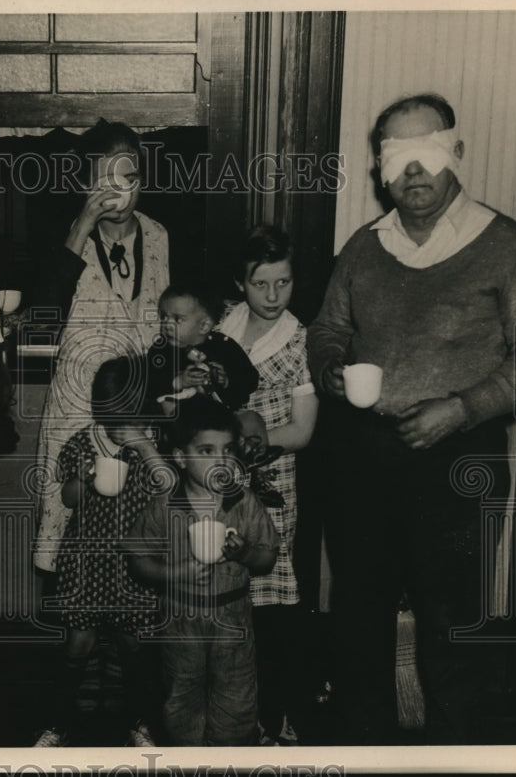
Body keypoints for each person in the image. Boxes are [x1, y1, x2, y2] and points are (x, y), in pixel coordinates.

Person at [306, 93, 516, 744]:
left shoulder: (509, 247)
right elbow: (327, 330)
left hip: (458, 465)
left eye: (427, 152)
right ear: (381, 168)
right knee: (357, 625)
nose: (413, 171)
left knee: (453, 631)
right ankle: (366, 750)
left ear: (457, 153)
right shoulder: (364, 247)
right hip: (363, 460)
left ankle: (453, 756)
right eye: (397, 156)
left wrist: (463, 408)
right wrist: (333, 369)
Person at [34, 120, 171, 573]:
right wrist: (83, 224)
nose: (120, 193)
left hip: (136, 406)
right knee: (70, 527)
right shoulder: (64, 237)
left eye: (128, 180)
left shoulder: (160, 236)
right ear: (84, 183)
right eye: (104, 181)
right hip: (76, 409)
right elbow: (44, 318)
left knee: (134, 532)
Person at [128, 395, 279, 747]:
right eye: (206, 451)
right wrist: (174, 574)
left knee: (237, 692)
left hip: (234, 614)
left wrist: (245, 553)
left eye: (227, 451)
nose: (220, 462)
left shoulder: (243, 502)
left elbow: (267, 559)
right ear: (180, 457)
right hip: (180, 615)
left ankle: (230, 755)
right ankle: (188, 758)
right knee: (181, 692)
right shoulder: (164, 506)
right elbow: (138, 560)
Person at [217, 224, 319, 744]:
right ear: (241, 283)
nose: (274, 296)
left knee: (273, 601)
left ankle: (279, 717)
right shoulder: (223, 328)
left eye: (284, 283)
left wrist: (249, 449)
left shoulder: (301, 341)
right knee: (226, 593)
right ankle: (234, 717)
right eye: (262, 285)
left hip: (273, 481)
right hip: (219, 483)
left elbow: (301, 431)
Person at [34, 355, 167, 747]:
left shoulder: (150, 443)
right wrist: (86, 478)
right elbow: (70, 497)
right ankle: (56, 724)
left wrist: (143, 445)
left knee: (134, 647)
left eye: (131, 415)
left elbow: (167, 487)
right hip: (86, 560)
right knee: (78, 644)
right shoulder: (82, 441)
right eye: (112, 416)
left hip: (135, 564)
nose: (120, 426)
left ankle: (141, 724)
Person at [145, 281, 260, 413]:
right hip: (183, 420)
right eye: (164, 317)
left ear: (204, 326)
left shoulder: (224, 346)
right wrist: (178, 382)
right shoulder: (161, 350)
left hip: (224, 418)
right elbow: (149, 384)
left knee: (252, 418)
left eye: (177, 319)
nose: (167, 324)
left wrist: (226, 381)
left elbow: (251, 379)